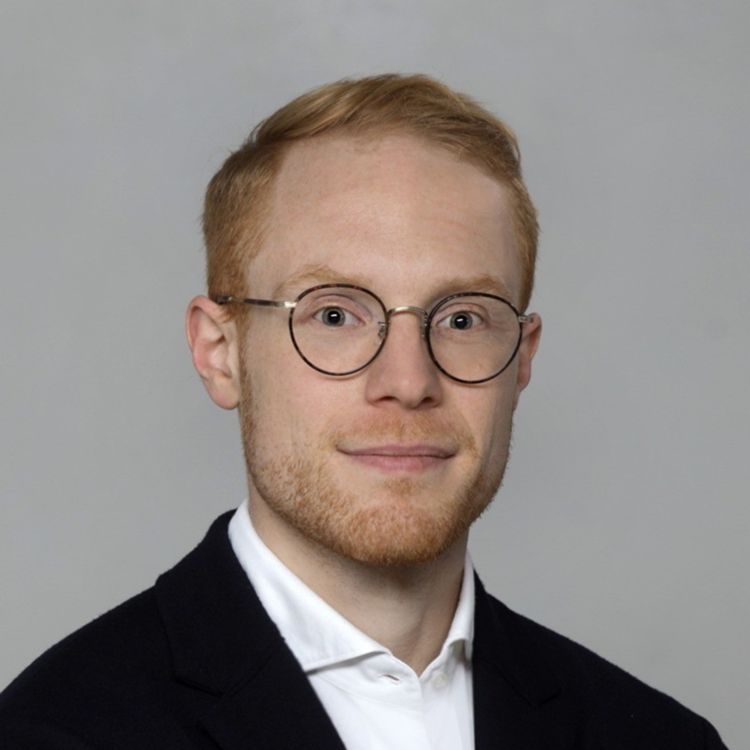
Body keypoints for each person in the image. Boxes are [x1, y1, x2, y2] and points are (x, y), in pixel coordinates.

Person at [0, 73, 728, 749]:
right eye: (334, 315)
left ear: (522, 358)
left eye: (463, 318)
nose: (407, 382)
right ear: (221, 353)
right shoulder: (52, 732)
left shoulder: (661, 739)